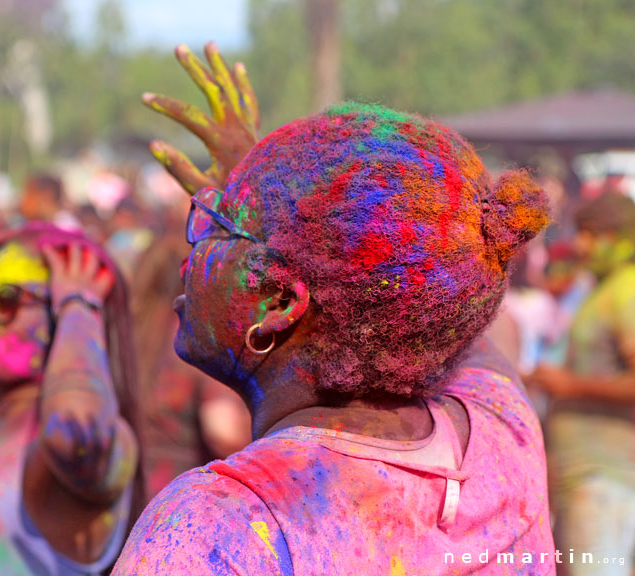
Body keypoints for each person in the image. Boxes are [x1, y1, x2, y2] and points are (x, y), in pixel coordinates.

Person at [112, 43, 554, 574]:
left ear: (278, 302)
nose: (190, 253)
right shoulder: (505, 435)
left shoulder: (217, 526)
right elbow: (435, 285)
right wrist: (270, 190)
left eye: (216, 224)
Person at [0, 224, 141, 575]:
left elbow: (75, 430)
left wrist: (79, 303)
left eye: (6, 300)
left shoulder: (73, 439)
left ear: (63, 319)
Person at [530, 193, 635, 576]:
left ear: (623, 238)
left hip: (604, 477)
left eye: (593, 234)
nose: (580, 244)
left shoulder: (627, 290)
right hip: (588, 476)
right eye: (582, 233)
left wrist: (569, 385)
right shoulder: (603, 289)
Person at [131, 236, 250, 499]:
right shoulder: (193, 337)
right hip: (177, 507)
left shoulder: (126, 334)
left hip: (124, 507)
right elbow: (224, 431)